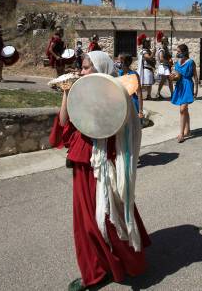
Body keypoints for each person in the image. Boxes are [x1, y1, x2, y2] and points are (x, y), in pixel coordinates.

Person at [49, 51, 150, 291]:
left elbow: (115, 134)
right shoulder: (81, 93)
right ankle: (97, 269)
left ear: (100, 70)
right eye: (81, 68)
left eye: (86, 68)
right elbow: (64, 124)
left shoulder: (115, 98)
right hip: (81, 164)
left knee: (104, 218)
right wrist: (67, 92)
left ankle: (115, 266)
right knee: (86, 223)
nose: (81, 72)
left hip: (102, 167)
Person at [170, 44, 198, 143]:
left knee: (182, 109)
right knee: (184, 109)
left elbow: (195, 77)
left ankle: (181, 134)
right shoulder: (177, 63)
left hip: (188, 86)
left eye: (178, 51)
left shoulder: (191, 62)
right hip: (180, 86)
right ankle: (188, 130)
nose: (177, 53)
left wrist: (196, 90)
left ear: (184, 52)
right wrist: (173, 77)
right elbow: (177, 76)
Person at [117, 53, 144, 119]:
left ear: (125, 62)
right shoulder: (120, 73)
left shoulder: (133, 75)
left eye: (119, 62)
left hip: (131, 103)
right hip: (121, 102)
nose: (117, 63)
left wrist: (140, 111)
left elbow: (139, 93)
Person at [137, 34, 155, 100]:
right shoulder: (144, 51)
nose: (149, 44)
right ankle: (142, 96)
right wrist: (153, 53)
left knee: (149, 84)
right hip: (146, 69)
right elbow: (149, 58)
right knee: (145, 84)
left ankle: (148, 96)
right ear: (145, 44)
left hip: (149, 69)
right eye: (148, 43)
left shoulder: (147, 51)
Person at [155, 34, 173, 99]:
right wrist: (169, 62)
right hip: (164, 66)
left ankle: (172, 94)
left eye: (167, 41)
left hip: (167, 66)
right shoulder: (162, 49)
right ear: (163, 42)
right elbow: (161, 59)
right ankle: (158, 93)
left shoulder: (166, 49)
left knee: (168, 80)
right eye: (165, 41)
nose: (166, 42)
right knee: (165, 80)